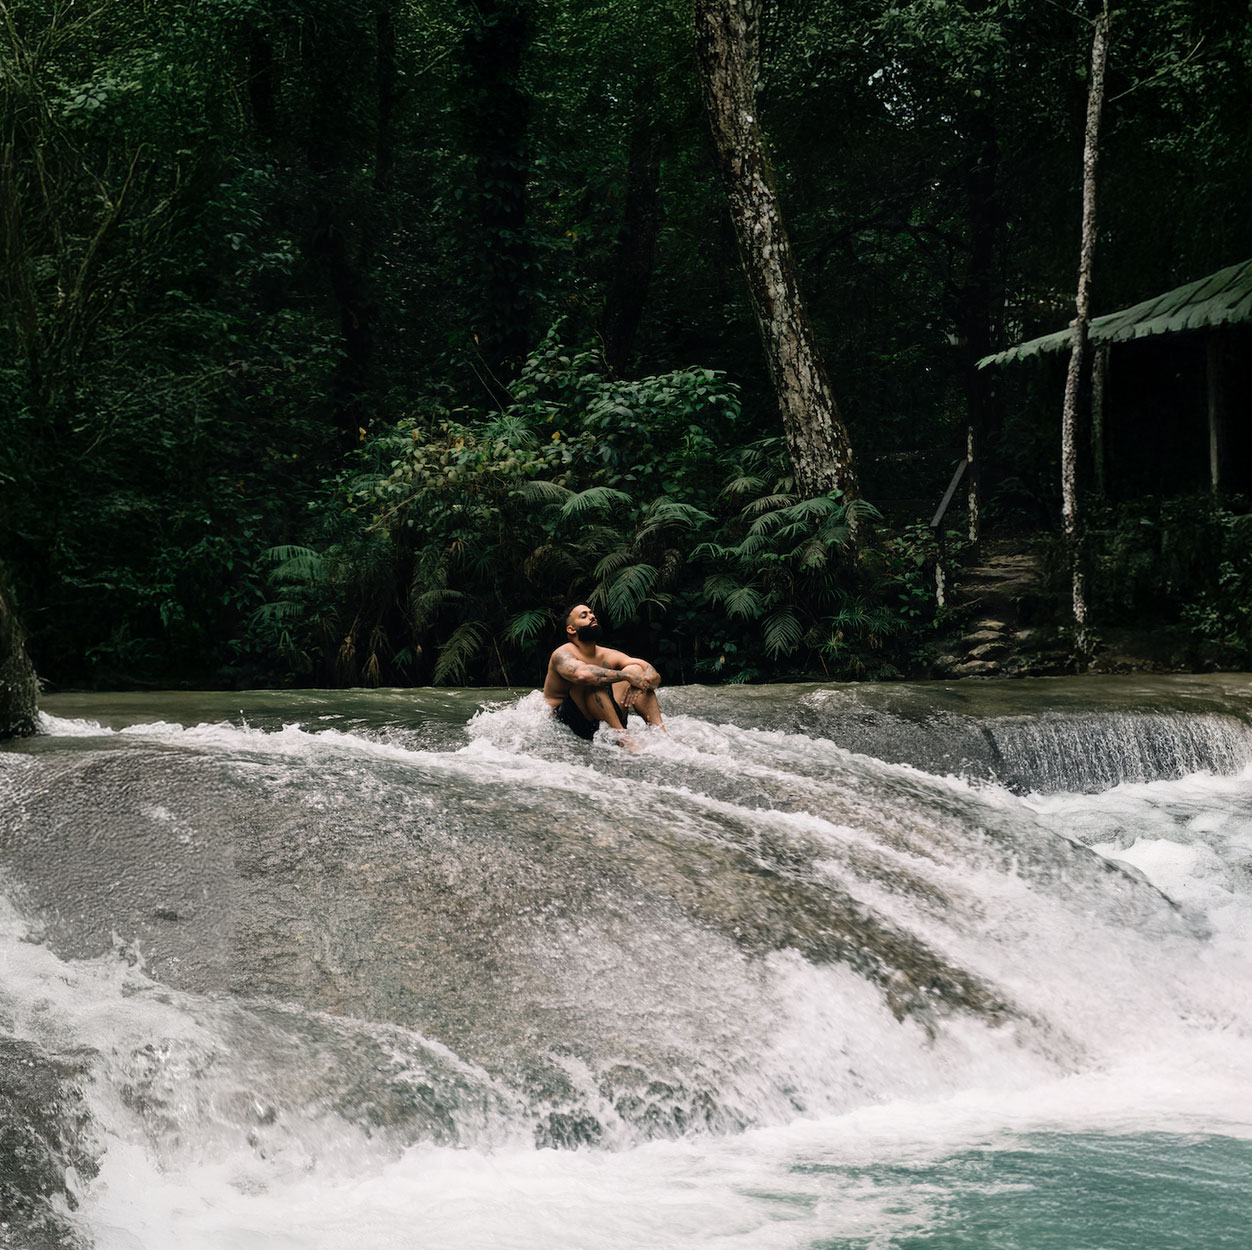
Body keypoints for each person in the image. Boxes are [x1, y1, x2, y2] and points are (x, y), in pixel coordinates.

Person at [542, 604, 665, 741]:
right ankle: (624, 739)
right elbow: (582, 675)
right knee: (592, 679)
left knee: (635, 668)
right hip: (569, 722)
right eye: (584, 615)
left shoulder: (608, 654)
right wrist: (627, 676)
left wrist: (643, 681)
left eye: (591, 613)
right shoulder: (562, 654)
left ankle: (661, 734)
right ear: (571, 629)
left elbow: (653, 675)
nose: (592, 616)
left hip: (604, 718)